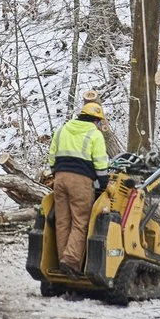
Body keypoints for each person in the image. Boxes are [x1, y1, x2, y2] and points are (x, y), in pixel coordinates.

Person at [47, 91, 112, 276]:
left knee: (62, 221)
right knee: (80, 221)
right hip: (81, 182)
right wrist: (103, 183)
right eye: (100, 122)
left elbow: (52, 156)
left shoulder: (63, 129)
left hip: (59, 178)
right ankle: (71, 261)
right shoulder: (94, 134)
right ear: (96, 120)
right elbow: (100, 163)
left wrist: (56, 173)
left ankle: (62, 261)